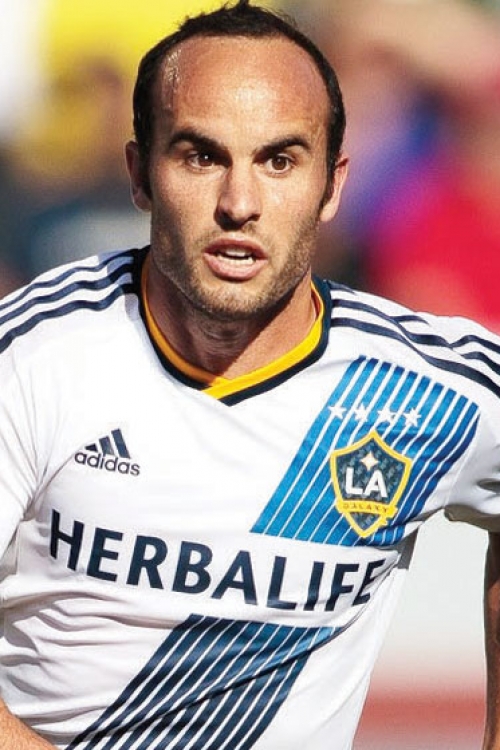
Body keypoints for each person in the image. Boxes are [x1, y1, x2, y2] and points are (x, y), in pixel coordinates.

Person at [0, 2, 500, 749]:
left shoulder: (424, 386)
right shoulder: (34, 355)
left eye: (280, 161)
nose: (240, 204)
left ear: (332, 185)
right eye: (201, 157)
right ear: (139, 175)